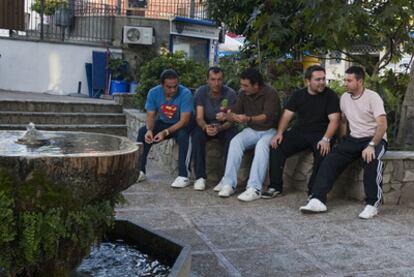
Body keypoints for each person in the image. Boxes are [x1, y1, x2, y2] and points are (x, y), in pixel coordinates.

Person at [300, 66, 388, 219]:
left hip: (374, 138)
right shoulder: (345, 98)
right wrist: (341, 142)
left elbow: (382, 125)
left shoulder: (372, 97)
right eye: (345, 80)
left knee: (372, 159)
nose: (345, 83)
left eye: (349, 80)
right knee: (331, 159)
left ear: (359, 81)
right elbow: (343, 122)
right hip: (353, 139)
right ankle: (318, 199)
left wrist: (372, 145)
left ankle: (372, 204)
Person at [263, 65, 341, 199]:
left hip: (321, 133)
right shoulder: (298, 95)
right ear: (307, 81)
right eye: (318, 79)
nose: (322, 82)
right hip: (301, 131)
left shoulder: (330, 95)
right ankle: (275, 186)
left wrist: (326, 139)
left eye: (323, 79)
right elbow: (287, 115)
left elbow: (335, 120)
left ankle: (314, 191)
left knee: (323, 152)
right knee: (277, 146)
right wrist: (280, 133)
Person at [214, 67, 281, 201]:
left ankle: (254, 188)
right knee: (235, 141)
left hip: (270, 130)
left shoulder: (270, 93)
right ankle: (228, 184)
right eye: (241, 85)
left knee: (262, 146)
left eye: (246, 85)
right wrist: (225, 115)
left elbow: (266, 117)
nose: (242, 88)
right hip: (252, 130)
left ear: (256, 85)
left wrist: (248, 118)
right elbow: (235, 111)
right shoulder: (243, 93)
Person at [137, 69, 194, 188]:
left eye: (175, 86)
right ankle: (140, 171)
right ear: (162, 85)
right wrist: (149, 130)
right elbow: (151, 115)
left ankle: (183, 176)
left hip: (182, 124)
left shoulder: (185, 93)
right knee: (142, 133)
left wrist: (165, 132)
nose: (173, 90)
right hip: (164, 122)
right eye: (169, 87)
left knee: (184, 136)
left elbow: (184, 121)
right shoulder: (154, 93)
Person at [191, 67, 237, 190]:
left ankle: (226, 178)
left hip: (223, 127)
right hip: (206, 125)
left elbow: (231, 120)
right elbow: (199, 117)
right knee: (196, 136)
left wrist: (220, 128)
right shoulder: (201, 92)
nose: (216, 83)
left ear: (223, 80)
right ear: (207, 80)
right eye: (213, 79)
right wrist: (206, 127)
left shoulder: (230, 94)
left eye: (219, 80)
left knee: (232, 139)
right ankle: (200, 177)